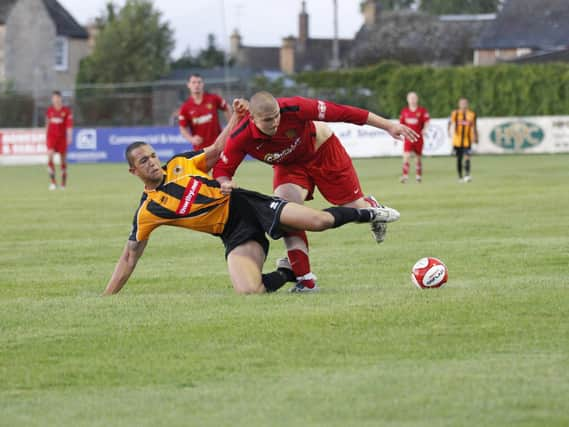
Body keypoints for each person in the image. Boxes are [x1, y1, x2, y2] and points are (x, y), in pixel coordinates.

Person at [102, 111, 400, 296]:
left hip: (247, 205)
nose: (153, 162)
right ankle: (289, 273)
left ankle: (371, 212)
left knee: (318, 222)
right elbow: (130, 257)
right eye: (144, 161)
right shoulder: (148, 212)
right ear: (134, 171)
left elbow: (219, 150)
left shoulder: (181, 163)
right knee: (249, 290)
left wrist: (235, 116)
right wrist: (107, 297)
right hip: (234, 233)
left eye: (153, 155)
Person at [213, 92, 418, 292]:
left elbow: (344, 112)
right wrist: (225, 182)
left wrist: (389, 125)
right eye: (268, 120)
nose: (275, 122)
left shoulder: (295, 107)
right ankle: (306, 280)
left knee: (355, 208)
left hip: (324, 151)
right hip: (289, 167)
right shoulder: (241, 136)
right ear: (252, 119)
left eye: (277, 115)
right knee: (286, 213)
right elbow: (222, 170)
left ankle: (370, 207)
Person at [178, 73, 231, 148]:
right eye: (193, 82)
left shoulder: (213, 98)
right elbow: (182, 128)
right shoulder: (185, 107)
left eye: (199, 82)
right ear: (188, 85)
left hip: (218, 145)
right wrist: (191, 139)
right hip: (200, 149)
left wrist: (231, 126)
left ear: (203, 84)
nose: (196, 85)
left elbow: (227, 108)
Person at [399, 92, 430, 183]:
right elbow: (401, 123)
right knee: (406, 156)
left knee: (418, 158)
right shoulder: (404, 111)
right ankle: (405, 176)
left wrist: (425, 129)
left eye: (414, 98)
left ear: (417, 99)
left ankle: (418, 176)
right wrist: (401, 133)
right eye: (410, 98)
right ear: (407, 100)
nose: (412, 100)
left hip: (418, 137)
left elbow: (427, 122)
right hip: (408, 137)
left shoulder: (422, 111)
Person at [45, 91, 73, 190]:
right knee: (50, 156)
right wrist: (46, 136)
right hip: (51, 138)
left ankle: (63, 184)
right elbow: (47, 124)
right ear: (52, 99)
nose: (56, 100)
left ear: (60, 98)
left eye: (57, 98)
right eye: (54, 98)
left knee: (63, 160)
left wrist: (69, 136)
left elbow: (69, 125)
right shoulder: (49, 111)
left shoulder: (66, 111)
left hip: (62, 138)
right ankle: (53, 183)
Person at [448, 97, 478, 183]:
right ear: (459, 104)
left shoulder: (472, 114)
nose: (463, 105)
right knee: (459, 159)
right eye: (462, 103)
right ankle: (460, 177)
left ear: (467, 104)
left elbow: (474, 126)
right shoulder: (455, 113)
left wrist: (475, 136)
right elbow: (450, 123)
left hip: (467, 140)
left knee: (467, 157)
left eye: (465, 103)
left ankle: (467, 175)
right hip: (457, 141)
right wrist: (448, 132)